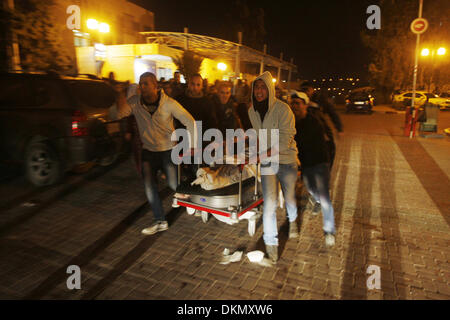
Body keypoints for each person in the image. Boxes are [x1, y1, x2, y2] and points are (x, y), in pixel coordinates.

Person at [111, 72, 196, 235]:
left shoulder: (168, 103)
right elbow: (119, 113)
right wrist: (120, 93)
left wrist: (191, 146)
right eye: (140, 84)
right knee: (149, 187)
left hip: (168, 151)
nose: (142, 87)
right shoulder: (135, 103)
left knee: (174, 184)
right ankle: (160, 220)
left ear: (155, 86)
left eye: (145, 84)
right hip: (148, 151)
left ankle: (192, 200)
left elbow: (189, 121)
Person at [247, 71, 299, 264]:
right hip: (268, 162)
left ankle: (293, 221)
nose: (259, 91)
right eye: (256, 87)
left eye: (263, 87)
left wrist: (260, 155)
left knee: (290, 198)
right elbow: (257, 133)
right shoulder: (252, 111)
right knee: (269, 204)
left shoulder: (283, 109)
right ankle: (271, 246)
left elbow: (285, 141)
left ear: (269, 89)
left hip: (286, 161)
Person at [290, 91, 336, 247]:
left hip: (320, 162)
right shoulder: (292, 123)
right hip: (306, 165)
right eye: (293, 103)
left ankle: (329, 230)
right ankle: (316, 199)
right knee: (310, 189)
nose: (295, 106)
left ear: (305, 105)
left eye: (298, 103)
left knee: (324, 197)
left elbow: (302, 144)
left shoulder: (313, 122)